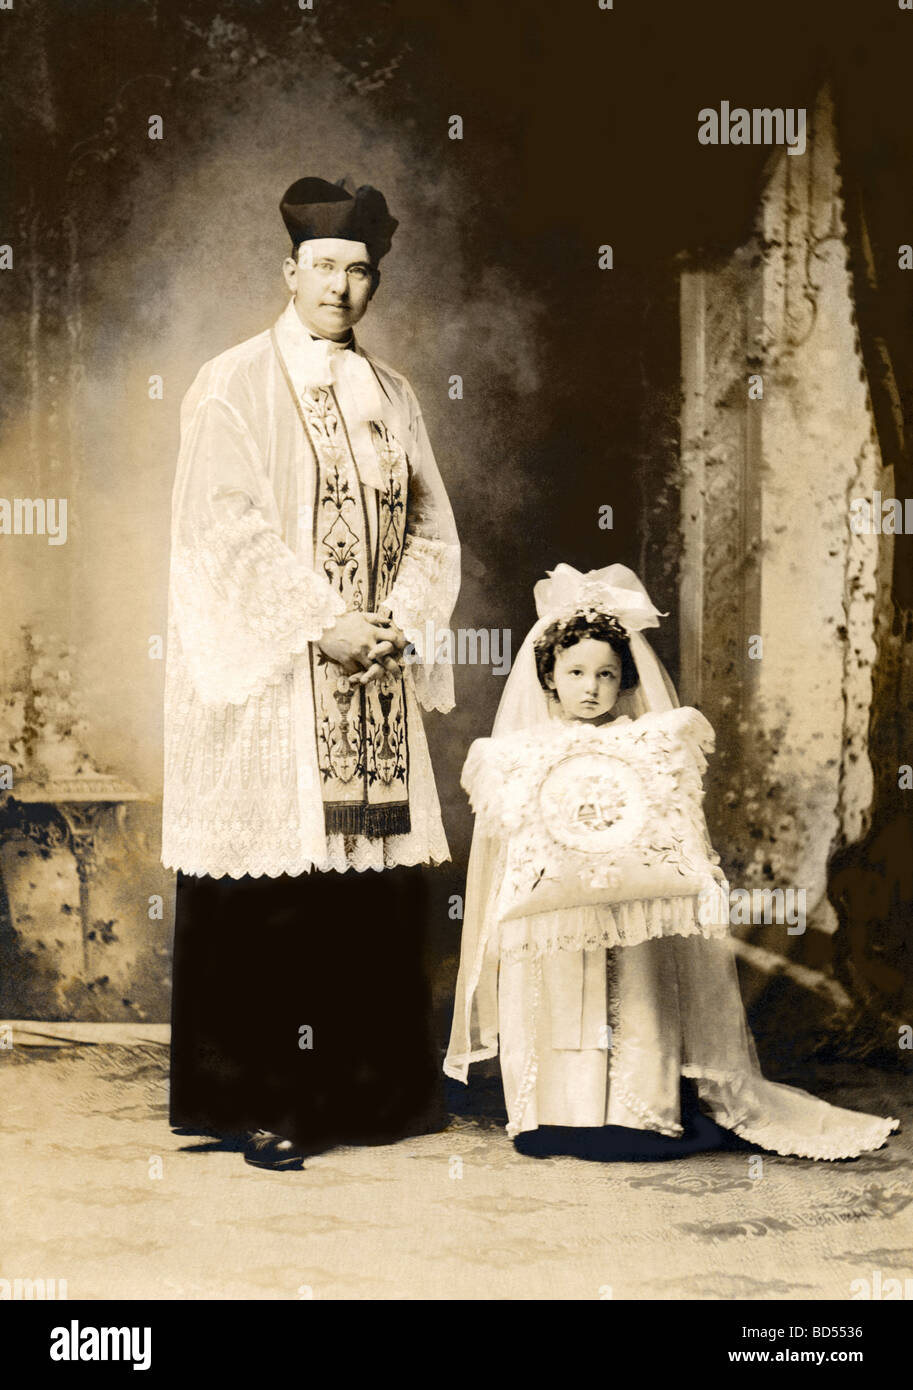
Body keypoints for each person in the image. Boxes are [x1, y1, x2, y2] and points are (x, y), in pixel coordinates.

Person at [163, 176, 460, 1170]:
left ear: (373, 286)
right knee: (278, 894)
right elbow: (223, 526)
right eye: (324, 267)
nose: (341, 286)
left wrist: (398, 624)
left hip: (369, 670)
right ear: (288, 274)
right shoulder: (232, 381)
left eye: (359, 271)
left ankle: (370, 1092)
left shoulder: (396, 395)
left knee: (364, 897)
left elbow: (429, 524)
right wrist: (322, 624)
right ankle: (263, 1098)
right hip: (280, 680)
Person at [444, 563, 899, 1161]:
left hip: (633, 911)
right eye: (575, 672)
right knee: (551, 981)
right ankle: (551, 1112)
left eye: (607, 674)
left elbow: (672, 832)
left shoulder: (651, 744)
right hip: (552, 912)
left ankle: (637, 1111)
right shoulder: (518, 755)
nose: (591, 687)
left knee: (636, 985)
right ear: (548, 677)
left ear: (624, 679)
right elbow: (507, 850)